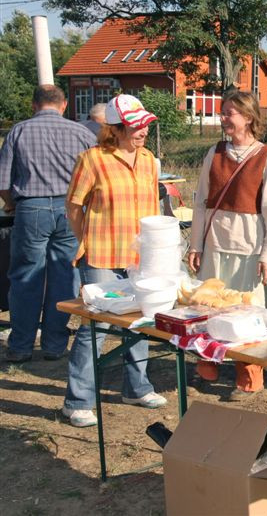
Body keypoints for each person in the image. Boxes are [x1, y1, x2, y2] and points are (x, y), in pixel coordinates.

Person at [62, 94, 167, 427]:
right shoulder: (92, 160)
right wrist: (86, 241)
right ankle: (77, 401)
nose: (143, 132)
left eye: (145, 125)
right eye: (136, 126)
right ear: (116, 129)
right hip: (102, 256)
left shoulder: (149, 159)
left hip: (140, 258)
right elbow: (74, 207)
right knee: (96, 327)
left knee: (140, 321)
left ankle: (136, 388)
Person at [188, 90, 267, 401]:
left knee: (248, 315)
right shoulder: (214, 153)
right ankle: (208, 366)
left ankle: (248, 374)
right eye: (223, 112)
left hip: (249, 248)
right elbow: (201, 202)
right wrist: (195, 246)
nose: (223, 118)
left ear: (249, 117)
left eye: (230, 113)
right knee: (209, 307)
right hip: (215, 244)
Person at [0, 85, 96, 363]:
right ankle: (54, 344)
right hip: (71, 209)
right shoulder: (81, 133)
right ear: (64, 105)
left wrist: (12, 202)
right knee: (64, 276)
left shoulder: (18, 131)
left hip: (31, 207)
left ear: (33, 105)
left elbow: (3, 181)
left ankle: (20, 345)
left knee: (25, 277)